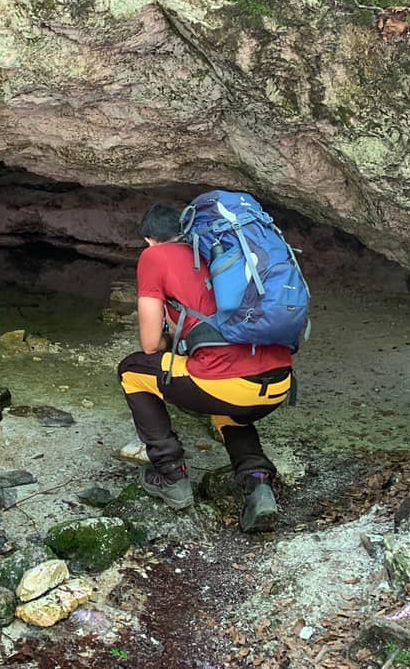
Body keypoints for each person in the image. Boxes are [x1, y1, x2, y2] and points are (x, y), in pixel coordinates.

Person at [117, 204, 294, 532]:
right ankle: (257, 481)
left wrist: (171, 338)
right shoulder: (220, 253)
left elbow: (151, 344)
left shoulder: (154, 256)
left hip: (227, 385)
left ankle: (170, 473)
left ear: (149, 239)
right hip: (279, 382)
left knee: (132, 370)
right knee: (226, 409)